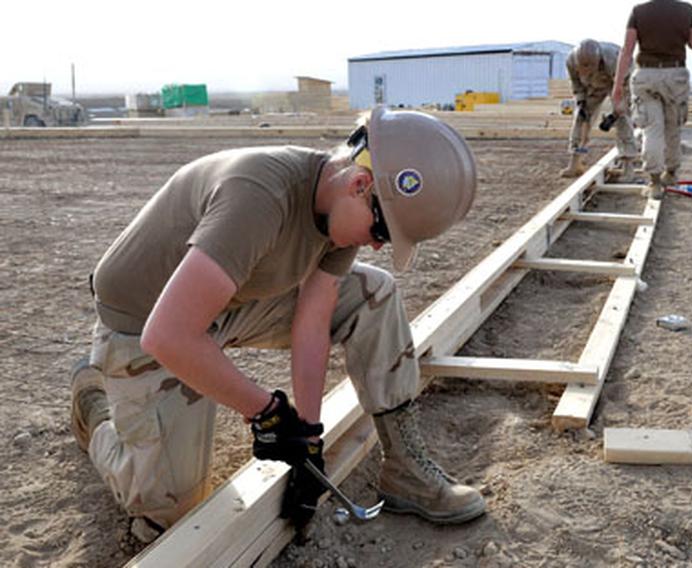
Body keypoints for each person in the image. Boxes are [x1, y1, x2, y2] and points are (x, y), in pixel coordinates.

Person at [69, 107, 486, 542]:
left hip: (229, 299)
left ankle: (406, 468)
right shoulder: (260, 194)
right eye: (381, 233)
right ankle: (94, 411)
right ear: (360, 185)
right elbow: (168, 334)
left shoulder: (339, 213)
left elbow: (313, 318)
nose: (378, 246)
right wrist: (266, 413)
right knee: (171, 515)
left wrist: (307, 438)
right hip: (145, 321)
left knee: (373, 293)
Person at [612, 0, 692, 199]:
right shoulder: (687, 9)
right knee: (673, 127)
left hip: (646, 75)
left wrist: (617, 86)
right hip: (675, 74)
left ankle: (654, 183)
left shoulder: (639, 11)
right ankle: (670, 173)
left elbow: (627, 50)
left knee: (652, 130)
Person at [561, 39, 638, 179]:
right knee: (580, 118)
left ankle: (628, 166)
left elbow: (624, 87)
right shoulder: (571, 61)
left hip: (617, 83)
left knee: (623, 120)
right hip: (592, 87)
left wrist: (615, 113)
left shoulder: (615, 59)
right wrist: (581, 102)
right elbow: (576, 84)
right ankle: (575, 163)